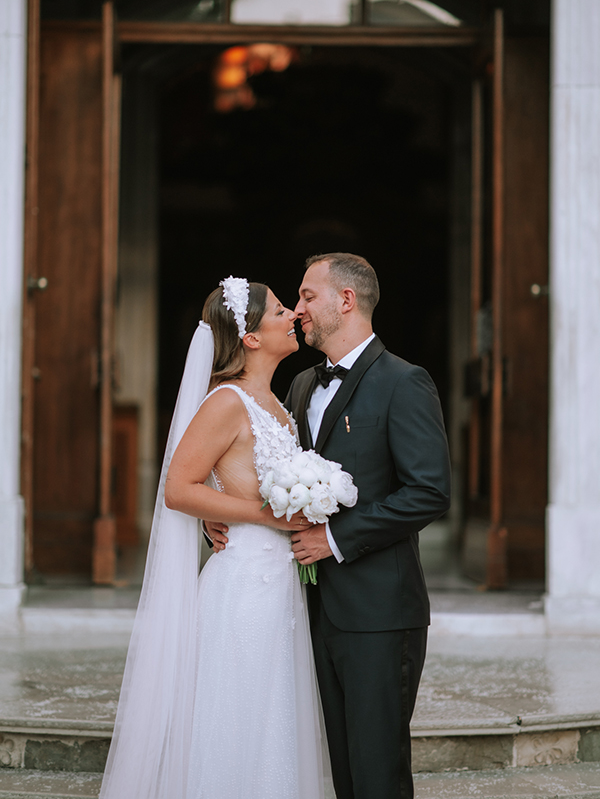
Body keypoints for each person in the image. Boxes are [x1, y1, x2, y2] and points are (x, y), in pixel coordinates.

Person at [99, 277, 331, 799]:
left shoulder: (276, 403)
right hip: (244, 587)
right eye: (278, 310)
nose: (292, 313)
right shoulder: (227, 401)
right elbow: (178, 488)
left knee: (273, 715)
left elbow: (226, 478)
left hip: (280, 585)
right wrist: (262, 515)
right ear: (250, 337)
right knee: (238, 715)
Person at [288, 253, 451, 799]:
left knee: (377, 771)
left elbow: (429, 490)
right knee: (340, 767)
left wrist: (334, 539)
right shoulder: (302, 385)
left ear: (347, 301)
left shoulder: (405, 382)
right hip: (310, 608)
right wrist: (221, 522)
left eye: (309, 296)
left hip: (380, 613)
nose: (298, 309)